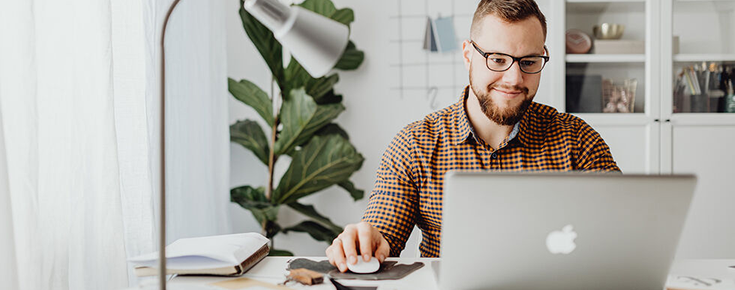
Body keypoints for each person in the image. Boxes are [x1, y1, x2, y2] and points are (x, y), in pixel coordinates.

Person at [326, 0, 620, 272]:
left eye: (529, 62)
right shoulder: (415, 144)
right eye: (497, 59)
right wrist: (364, 242)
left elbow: (625, 230)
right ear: (468, 55)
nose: (514, 79)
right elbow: (382, 233)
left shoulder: (578, 140)